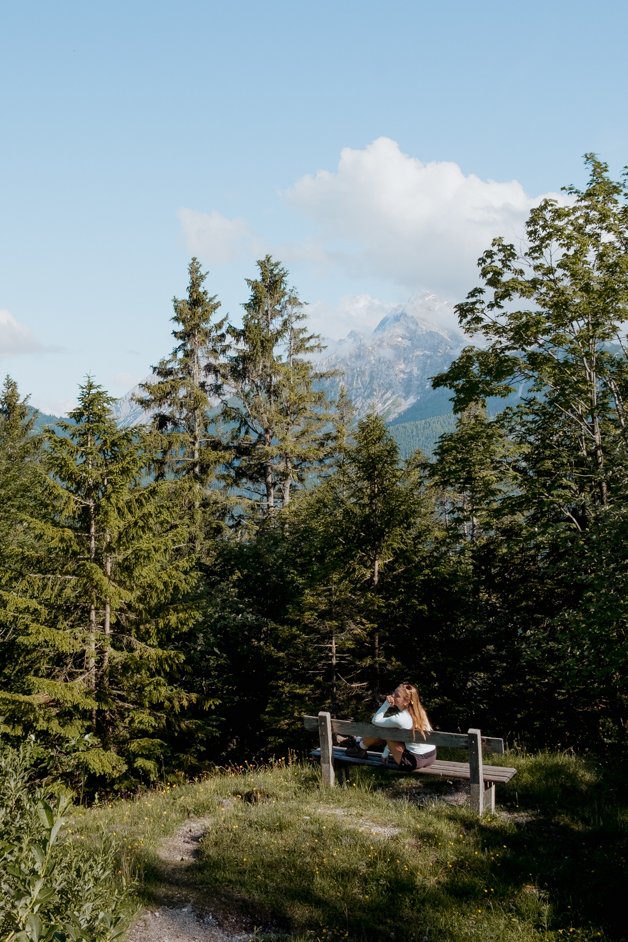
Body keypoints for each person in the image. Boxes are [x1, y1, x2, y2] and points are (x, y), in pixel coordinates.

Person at [346, 682, 436, 770]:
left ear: (407, 701)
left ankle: (360, 746)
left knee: (383, 730)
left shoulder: (400, 718)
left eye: (397, 695)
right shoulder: (420, 712)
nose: (392, 696)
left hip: (413, 761)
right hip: (431, 756)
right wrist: (386, 751)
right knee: (388, 730)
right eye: (394, 692)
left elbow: (375, 720)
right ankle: (359, 743)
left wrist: (386, 704)